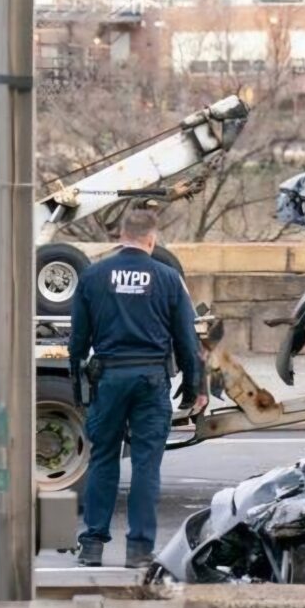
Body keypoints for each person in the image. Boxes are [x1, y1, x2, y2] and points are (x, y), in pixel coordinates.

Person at [68, 209, 207, 568]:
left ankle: (92, 546)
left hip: (109, 378)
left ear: (120, 237)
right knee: (146, 465)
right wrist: (194, 389)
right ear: (152, 239)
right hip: (151, 380)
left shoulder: (92, 276)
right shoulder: (168, 278)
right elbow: (188, 341)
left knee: (102, 460)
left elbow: (77, 341)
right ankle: (139, 550)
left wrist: (78, 383)